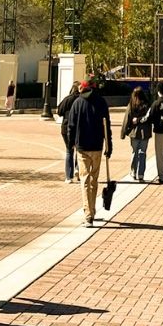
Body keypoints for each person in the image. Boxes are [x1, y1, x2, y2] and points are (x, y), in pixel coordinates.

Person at [61, 79, 114, 226]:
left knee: (84, 180)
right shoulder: (101, 102)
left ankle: (88, 213)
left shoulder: (77, 103)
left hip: (82, 146)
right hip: (97, 145)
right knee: (93, 179)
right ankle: (92, 209)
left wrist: (71, 144)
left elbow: (71, 126)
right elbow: (107, 125)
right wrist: (109, 145)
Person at [123, 87, 154, 183]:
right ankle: (141, 174)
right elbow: (150, 118)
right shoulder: (147, 105)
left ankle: (133, 171)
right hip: (145, 132)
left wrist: (123, 132)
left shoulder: (131, 105)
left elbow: (126, 119)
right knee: (142, 153)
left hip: (134, 133)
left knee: (134, 152)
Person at [55, 80, 81, 181]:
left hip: (66, 128)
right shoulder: (81, 99)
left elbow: (59, 111)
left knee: (69, 151)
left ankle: (69, 176)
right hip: (79, 128)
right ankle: (78, 168)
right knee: (79, 150)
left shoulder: (67, 99)